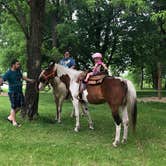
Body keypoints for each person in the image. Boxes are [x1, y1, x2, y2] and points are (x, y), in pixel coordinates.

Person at [0, 59, 35, 127]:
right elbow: (2, 79)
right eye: (17, 64)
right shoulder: (8, 73)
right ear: (13, 65)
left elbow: (22, 77)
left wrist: (30, 80)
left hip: (19, 91)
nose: (19, 65)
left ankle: (10, 117)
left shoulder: (18, 71)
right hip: (13, 92)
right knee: (14, 107)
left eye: (19, 64)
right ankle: (14, 122)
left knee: (20, 106)